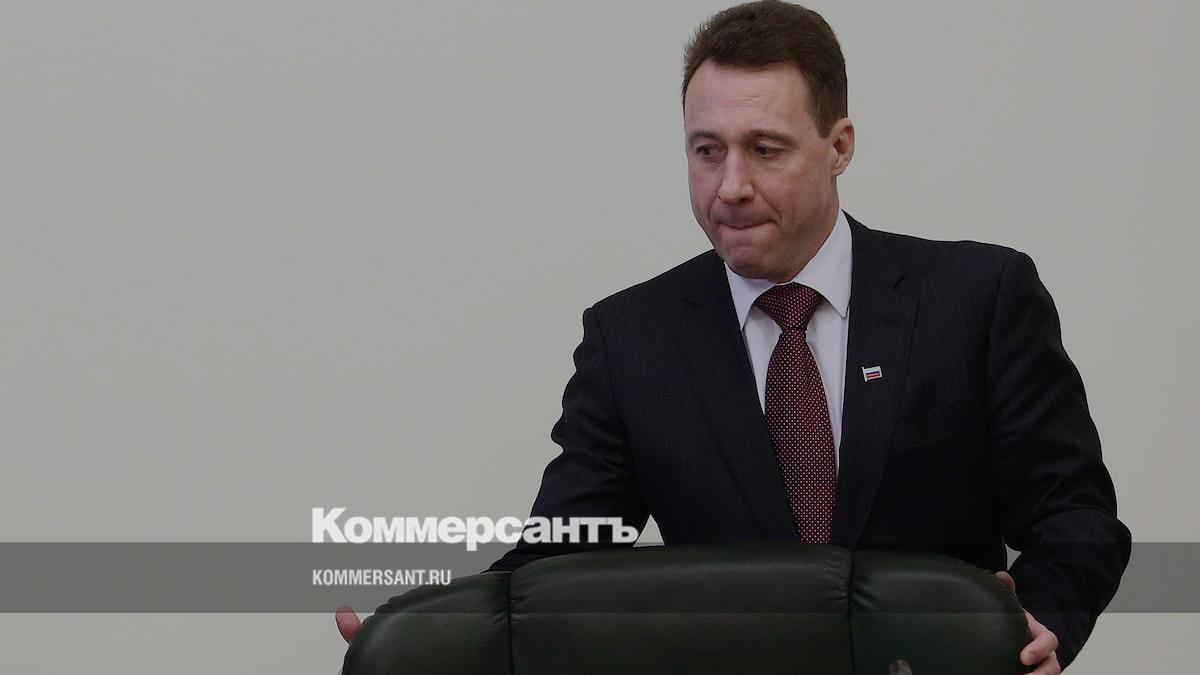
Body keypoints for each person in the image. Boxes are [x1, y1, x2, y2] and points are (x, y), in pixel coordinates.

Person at [338, 2, 1130, 671]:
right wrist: (434, 638)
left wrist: (1042, 621)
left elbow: (1074, 514)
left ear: (840, 146)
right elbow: (558, 560)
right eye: (707, 151)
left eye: (765, 149)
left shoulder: (978, 297)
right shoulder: (631, 337)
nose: (731, 187)